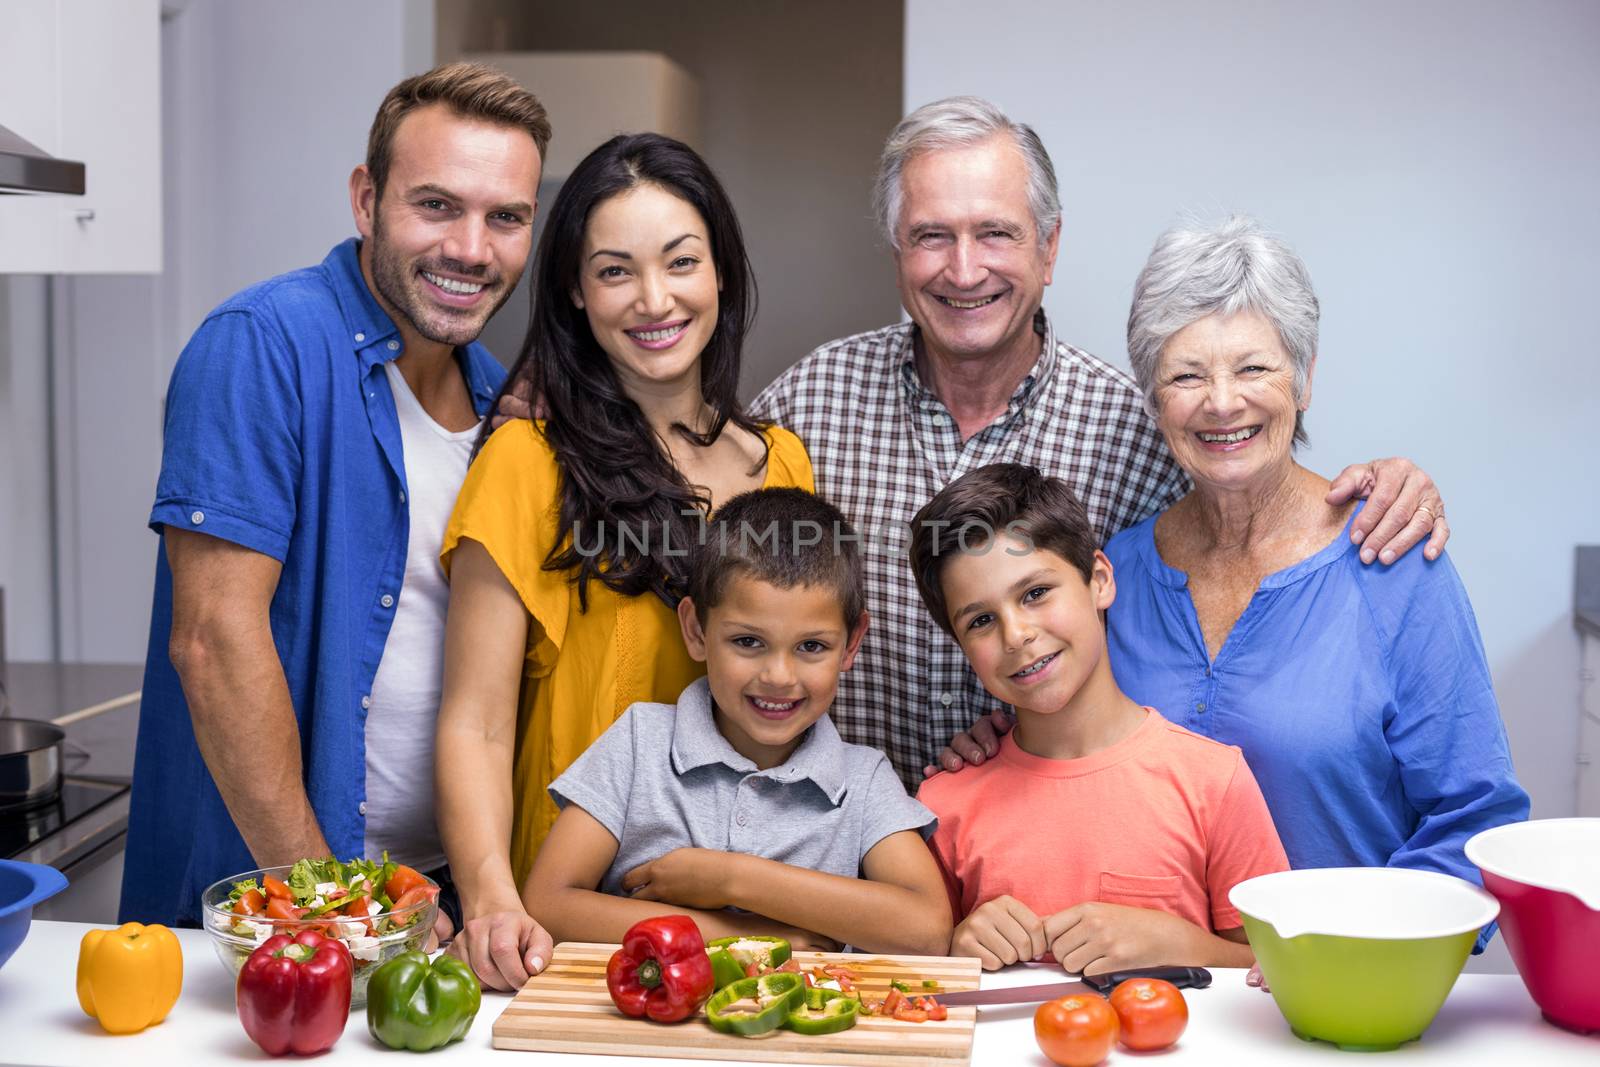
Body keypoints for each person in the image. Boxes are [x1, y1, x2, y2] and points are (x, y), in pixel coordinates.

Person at [747, 97, 1451, 786]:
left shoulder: (1141, 428)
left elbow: (1257, 517)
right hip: (838, 871)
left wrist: (1385, 488)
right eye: (933, 236)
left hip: (1059, 869)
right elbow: (725, 598)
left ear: (1049, 247)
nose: (964, 270)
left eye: (996, 233)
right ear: (897, 251)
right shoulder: (804, 406)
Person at [121, 63, 551, 930]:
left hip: (440, 904)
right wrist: (342, 907)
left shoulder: (502, 400)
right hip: (276, 913)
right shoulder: (262, 346)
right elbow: (212, 641)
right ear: (366, 201)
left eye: (505, 217)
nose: (472, 248)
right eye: (436, 205)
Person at [434, 134, 815, 990]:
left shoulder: (783, 466)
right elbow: (477, 719)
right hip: (569, 928)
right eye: (614, 271)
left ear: (721, 272)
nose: (654, 300)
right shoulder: (525, 461)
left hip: (740, 929)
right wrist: (490, 894)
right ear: (573, 291)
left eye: (681, 262)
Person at [1102, 216, 1527, 944]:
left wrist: (1348, 962)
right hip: (1149, 1012)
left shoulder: (1393, 559)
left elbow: (1473, 820)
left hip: (1351, 1007)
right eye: (1186, 374)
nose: (1223, 400)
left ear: (1304, 378)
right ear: (1153, 398)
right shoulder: (1117, 577)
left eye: (1254, 367)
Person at [523, 488, 951, 956]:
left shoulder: (864, 779)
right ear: (696, 630)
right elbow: (548, 905)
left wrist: (732, 878)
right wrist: (751, 936)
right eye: (748, 641)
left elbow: (927, 929)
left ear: (851, 645)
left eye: (812, 647)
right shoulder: (638, 741)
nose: (778, 677)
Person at [911, 464, 1288, 973]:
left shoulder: (1213, 782)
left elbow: (1277, 967)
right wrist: (958, 948)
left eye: (1035, 593)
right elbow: (917, 974)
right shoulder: (940, 805)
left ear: (1100, 582)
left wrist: (1179, 944)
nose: (1016, 634)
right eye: (980, 620)